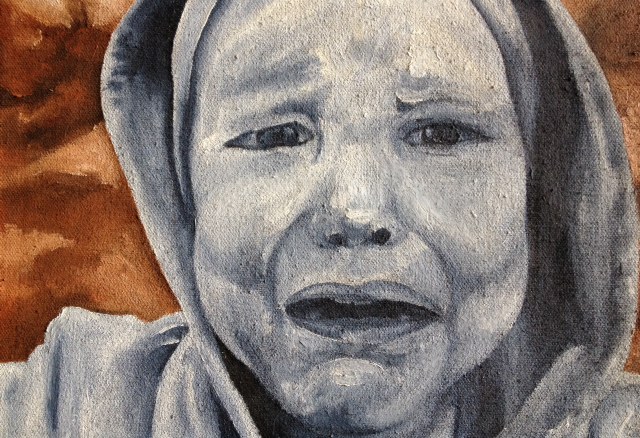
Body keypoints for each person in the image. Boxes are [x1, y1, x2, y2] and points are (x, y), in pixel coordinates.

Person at [1, 0, 639, 436]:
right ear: (179, 193)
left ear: (540, 188)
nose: (357, 210)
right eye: (276, 135)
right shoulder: (64, 411)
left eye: (442, 133)